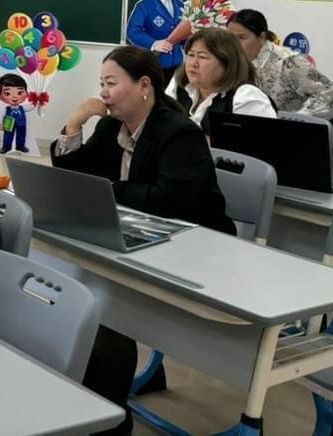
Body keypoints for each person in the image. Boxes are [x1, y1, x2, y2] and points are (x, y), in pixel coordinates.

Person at [52, 45, 234, 432]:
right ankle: (102, 408)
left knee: (105, 310)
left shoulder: (179, 132)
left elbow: (167, 202)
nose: (103, 93)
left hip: (195, 249)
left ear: (145, 86)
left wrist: (106, 190)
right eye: (101, 84)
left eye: (111, 83)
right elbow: (75, 176)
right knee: (96, 302)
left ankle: (109, 418)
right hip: (138, 239)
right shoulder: (109, 126)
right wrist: (73, 125)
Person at [228, 9, 333, 119]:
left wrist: (297, 118)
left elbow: (329, 93)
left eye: (241, 38)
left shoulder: (288, 62)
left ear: (262, 37)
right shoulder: (229, 62)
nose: (234, 44)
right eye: (230, 38)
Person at [165, 28, 276, 134]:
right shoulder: (179, 84)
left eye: (202, 57)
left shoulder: (246, 96)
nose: (193, 63)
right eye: (191, 55)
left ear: (226, 63)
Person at [126, 0, 187, 81]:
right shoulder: (144, 6)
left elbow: (182, 36)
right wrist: (154, 43)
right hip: (154, 65)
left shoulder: (181, 5)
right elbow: (133, 31)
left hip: (177, 64)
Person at [0, 72, 29, 155]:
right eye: (7, 93)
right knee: (7, 136)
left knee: (22, 135)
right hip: (9, 125)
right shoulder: (5, 109)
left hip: (21, 125)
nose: (14, 97)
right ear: (0, 96)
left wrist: (37, 102)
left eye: (20, 93)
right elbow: (0, 115)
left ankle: (20, 146)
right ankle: (6, 147)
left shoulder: (23, 108)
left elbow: (31, 107)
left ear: (26, 93)